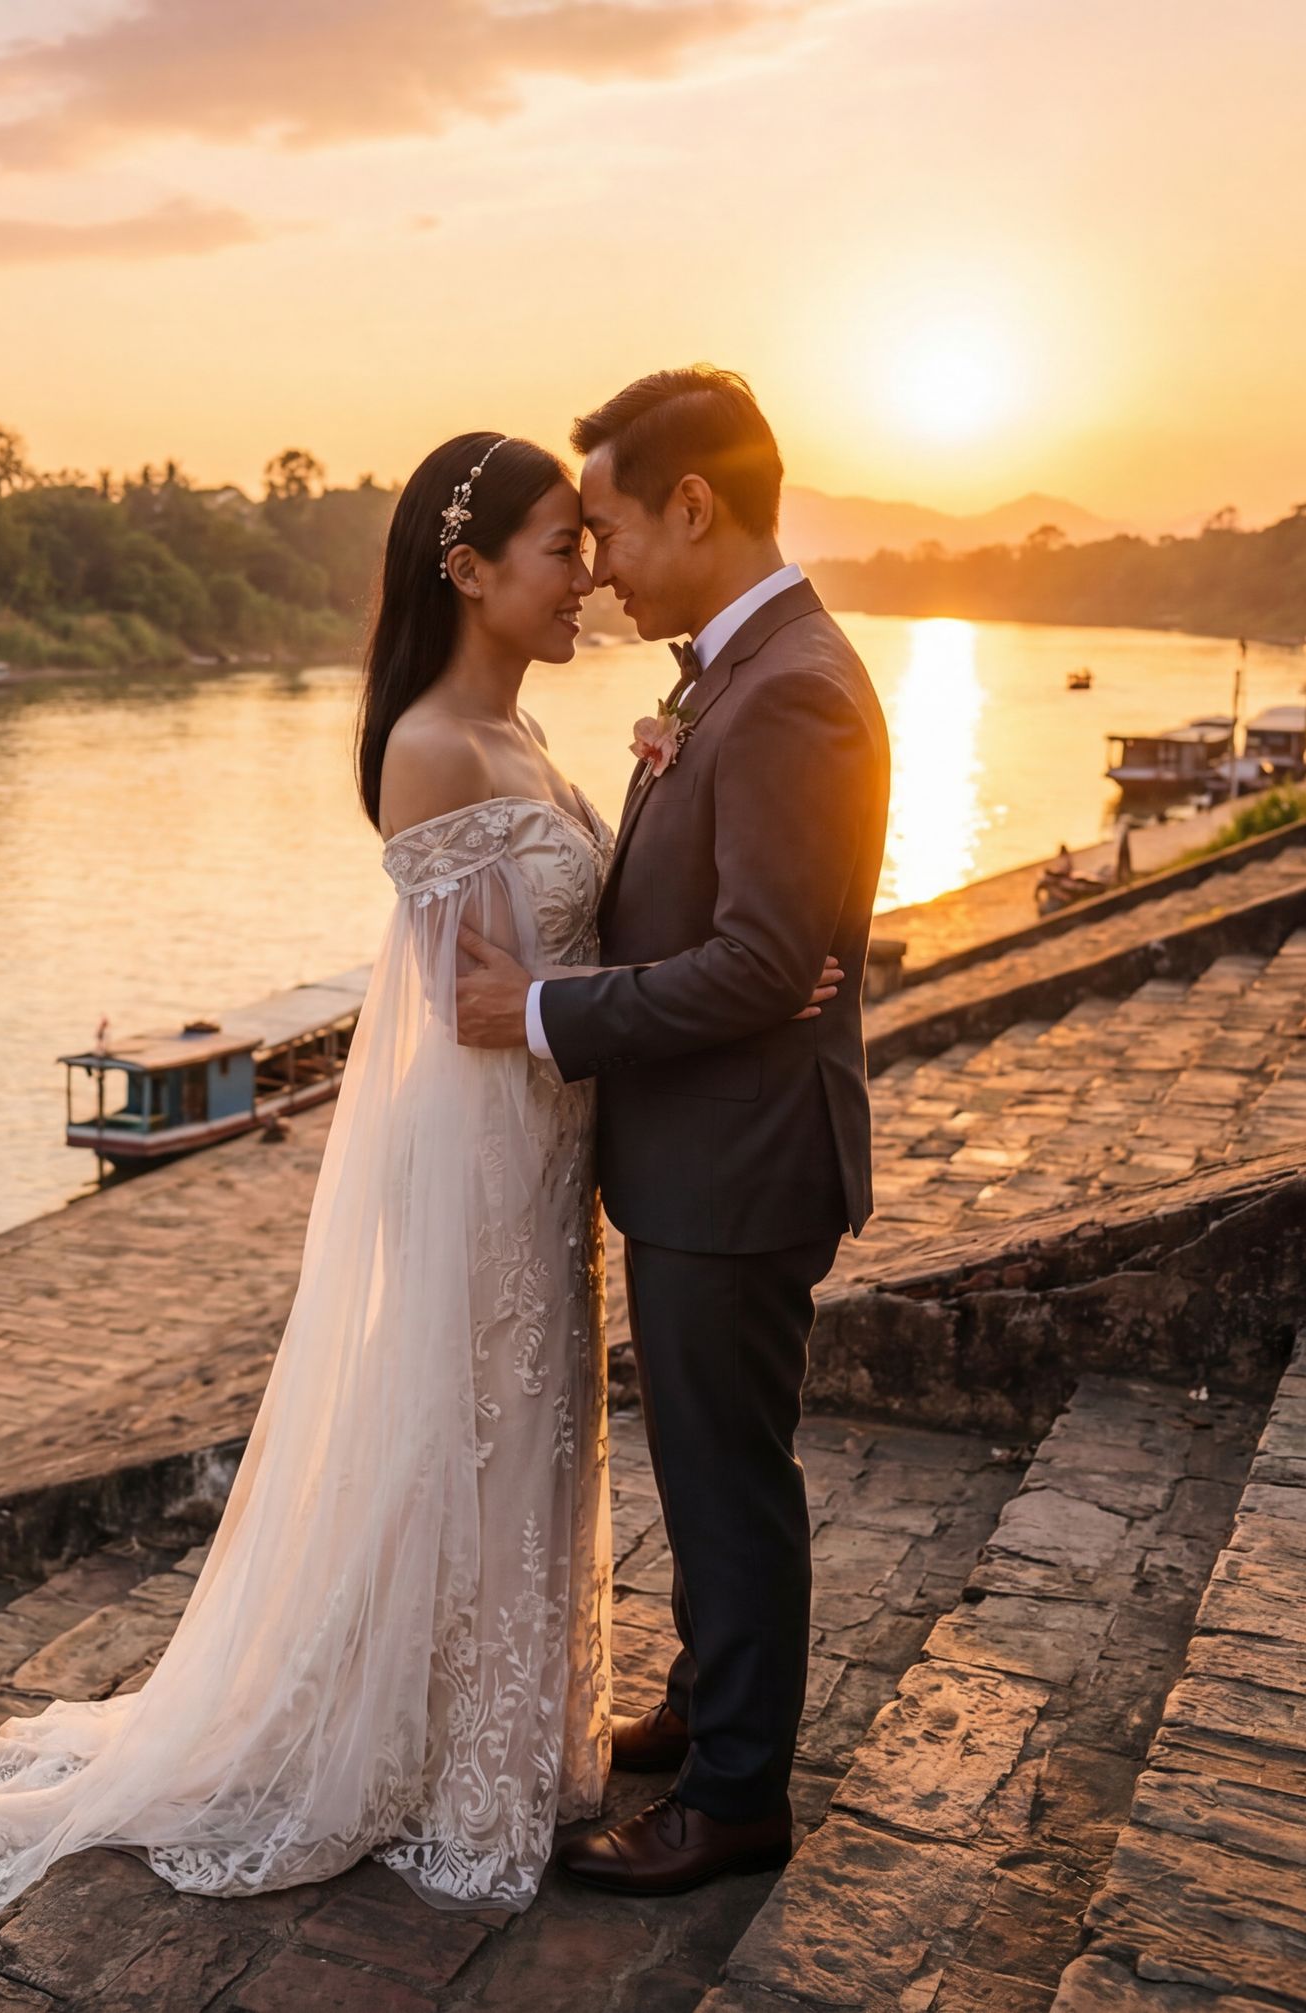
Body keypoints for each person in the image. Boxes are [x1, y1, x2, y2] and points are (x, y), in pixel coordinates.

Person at [0, 430, 841, 1924]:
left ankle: (547, 1723)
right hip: (487, 1154)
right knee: (472, 1432)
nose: (587, 575)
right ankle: (440, 1736)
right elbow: (471, 1004)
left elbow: (579, 948)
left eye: (594, 542)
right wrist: (731, 976)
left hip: (560, 1147)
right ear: (467, 569)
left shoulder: (532, 726)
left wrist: (748, 964)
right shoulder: (434, 747)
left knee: (545, 1439)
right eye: (560, 548)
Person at [455, 368, 889, 1896]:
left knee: (728, 1477)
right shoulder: (744, 671)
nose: (602, 565)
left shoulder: (791, 689)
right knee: (707, 1460)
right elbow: (757, 934)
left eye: (615, 528)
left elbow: (765, 961)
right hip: (713, 1149)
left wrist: (545, 1012)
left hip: (742, 1163)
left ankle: (735, 1796)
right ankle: (710, 1706)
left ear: (693, 506)